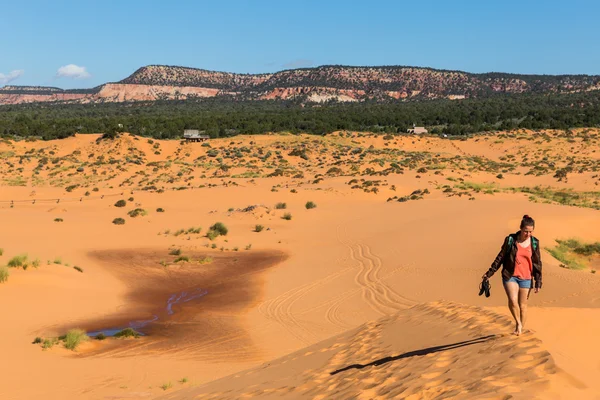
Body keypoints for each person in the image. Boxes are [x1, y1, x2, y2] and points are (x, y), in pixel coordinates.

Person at [482, 215, 542, 335]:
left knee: (523, 305)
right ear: (520, 228)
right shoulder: (511, 240)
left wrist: (538, 281)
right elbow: (501, 257)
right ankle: (518, 323)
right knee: (513, 301)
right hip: (510, 275)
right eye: (526, 231)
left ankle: (519, 330)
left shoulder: (534, 243)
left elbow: (537, 263)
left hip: (526, 278)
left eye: (530, 231)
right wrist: (490, 272)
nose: (528, 234)